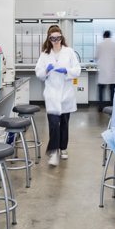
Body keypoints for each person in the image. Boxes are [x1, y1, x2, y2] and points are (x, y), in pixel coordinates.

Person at [34, 25, 81, 166]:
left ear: (61, 37)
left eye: (58, 38)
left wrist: (66, 70)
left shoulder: (69, 52)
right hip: (51, 95)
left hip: (66, 95)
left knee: (64, 124)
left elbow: (77, 70)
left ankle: (63, 148)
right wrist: (46, 71)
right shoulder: (45, 54)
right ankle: (54, 152)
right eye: (53, 38)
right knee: (54, 124)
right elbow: (38, 73)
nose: (56, 41)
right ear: (49, 39)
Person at [94, 30, 115, 112]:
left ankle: (100, 106)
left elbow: (96, 57)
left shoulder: (100, 45)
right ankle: (112, 105)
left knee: (101, 89)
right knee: (112, 90)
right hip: (112, 70)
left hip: (103, 70)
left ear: (104, 36)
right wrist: (114, 62)